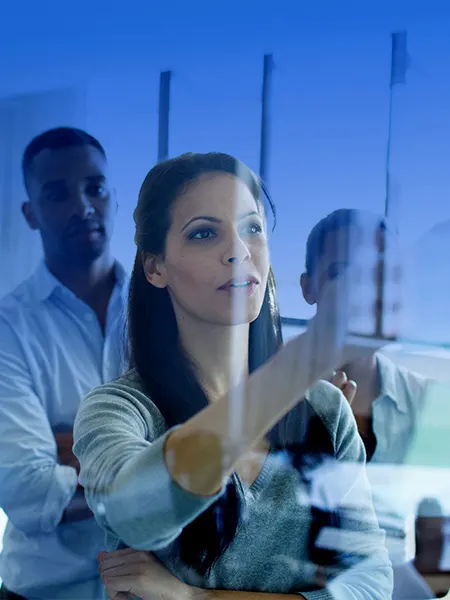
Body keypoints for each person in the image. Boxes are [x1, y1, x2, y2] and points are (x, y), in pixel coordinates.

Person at [74, 153, 392, 600]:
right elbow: (133, 511)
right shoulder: (120, 410)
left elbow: (372, 583)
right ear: (155, 267)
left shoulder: (324, 409)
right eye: (204, 233)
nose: (238, 251)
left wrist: (196, 598)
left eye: (253, 228)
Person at [0, 127, 128, 599]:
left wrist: (75, 449)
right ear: (30, 214)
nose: (82, 206)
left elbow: (206, 446)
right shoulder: (6, 328)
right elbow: (27, 491)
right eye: (57, 194)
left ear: (113, 195)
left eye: (95, 188)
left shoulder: (167, 312)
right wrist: (158, 461)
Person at [300, 208, 445, 598]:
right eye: (342, 272)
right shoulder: (261, 395)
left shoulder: (431, 403)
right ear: (308, 287)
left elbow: (439, 557)